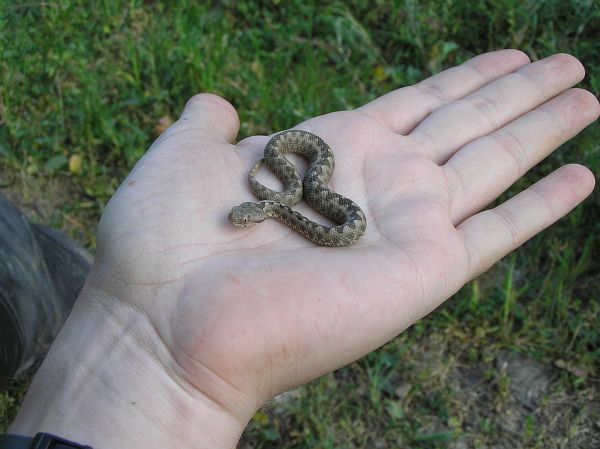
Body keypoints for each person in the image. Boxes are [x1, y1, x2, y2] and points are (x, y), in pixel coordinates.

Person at [5, 50, 599, 449]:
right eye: (245, 215)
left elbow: (300, 198)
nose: (242, 218)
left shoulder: (287, 192)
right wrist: (156, 357)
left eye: (246, 215)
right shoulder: (274, 197)